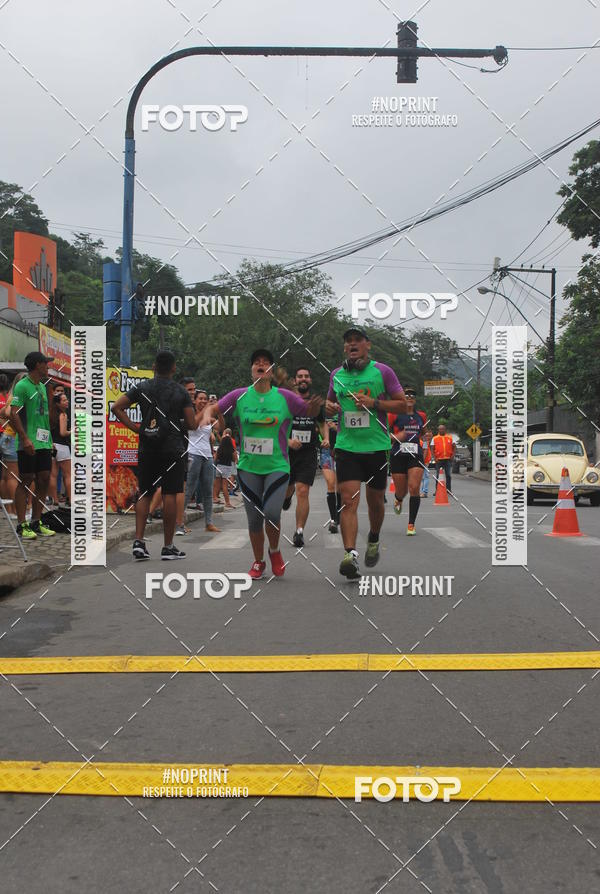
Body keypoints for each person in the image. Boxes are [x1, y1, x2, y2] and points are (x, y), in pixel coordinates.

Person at [203, 348, 322, 579]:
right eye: (256, 362)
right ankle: (258, 562)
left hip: (277, 466)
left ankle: (274, 551)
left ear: (271, 371)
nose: (261, 365)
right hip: (249, 467)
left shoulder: (284, 397)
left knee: (272, 513)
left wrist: (315, 408)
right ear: (252, 370)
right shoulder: (239, 396)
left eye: (266, 362)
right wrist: (209, 414)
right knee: (255, 519)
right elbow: (213, 408)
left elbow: (308, 410)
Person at [326, 328, 406, 579]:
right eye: (347, 341)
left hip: (376, 447)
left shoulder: (382, 371)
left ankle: (373, 537)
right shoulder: (336, 375)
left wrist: (375, 403)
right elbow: (329, 406)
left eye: (357, 341)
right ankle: (350, 555)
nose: (352, 344)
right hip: (347, 447)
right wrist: (329, 408)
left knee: (375, 501)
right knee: (348, 501)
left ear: (367, 345)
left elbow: (403, 404)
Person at [112, 350, 197, 560]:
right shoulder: (181, 392)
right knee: (170, 494)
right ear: (174, 368)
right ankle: (168, 546)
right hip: (173, 449)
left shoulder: (142, 387)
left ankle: (139, 542)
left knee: (145, 493)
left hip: (147, 447)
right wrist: (176, 424)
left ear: (153, 367)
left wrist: (136, 428)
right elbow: (192, 424)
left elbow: (116, 407)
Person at [9, 352, 57, 539]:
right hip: (28, 442)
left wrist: (50, 440)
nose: (48, 366)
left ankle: (37, 521)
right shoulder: (22, 386)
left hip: (44, 441)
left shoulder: (43, 387)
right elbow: (13, 413)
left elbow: (45, 417)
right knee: (26, 479)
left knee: (44, 478)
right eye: (46, 363)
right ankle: (22, 525)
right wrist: (25, 438)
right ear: (38, 365)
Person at [282, 366, 328, 547]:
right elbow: (277, 426)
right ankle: (287, 496)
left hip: (308, 453)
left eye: (306, 376)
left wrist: (326, 438)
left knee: (303, 491)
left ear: (310, 380)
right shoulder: (287, 401)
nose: (303, 379)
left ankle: (299, 531)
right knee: (288, 488)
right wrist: (288, 441)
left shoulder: (315, 403)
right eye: (300, 376)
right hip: (288, 453)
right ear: (295, 380)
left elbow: (322, 423)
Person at [389, 388, 426, 535]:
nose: (409, 397)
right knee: (402, 491)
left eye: (412, 395)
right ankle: (398, 499)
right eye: (407, 395)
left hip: (415, 454)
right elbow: (385, 434)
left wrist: (423, 440)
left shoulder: (421, 416)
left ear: (415, 400)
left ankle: (411, 524)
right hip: (398, 454)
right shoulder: (393, 415)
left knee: (414, 487)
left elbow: (423, 432)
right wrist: (397, 436)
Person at [184, 389, 221, 532]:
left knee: (208, 490)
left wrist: (219, 410)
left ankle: (209, 523)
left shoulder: (208, 416)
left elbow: (220, 426)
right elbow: (194, 424)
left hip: (207, 456)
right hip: (193, 454)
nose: (204, 401)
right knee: (189, 489)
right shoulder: (191, 414)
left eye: (206, 399)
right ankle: (180, 522)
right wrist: (207, 409)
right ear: (194, 400)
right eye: (200, 398)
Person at [0, 373, 20, 508]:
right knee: (13, 475)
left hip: (6, 435)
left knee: (6, 475)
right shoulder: (14, 397)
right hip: (11, 437)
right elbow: (7, 413)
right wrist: (17, 429)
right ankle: (13, 509)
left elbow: (3, 413)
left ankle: (8, 509)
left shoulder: (9, 396)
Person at [49, 392, 72, 505]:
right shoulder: (63, 415)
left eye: (66, 399)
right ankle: (71, 499)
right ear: (58, 403)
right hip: (62, 446)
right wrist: (72, 431)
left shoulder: (50, 414)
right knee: (68, 475)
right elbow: (63, 433)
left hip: (52, 445)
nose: (67, 401)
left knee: (53, 475)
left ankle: (55, 500)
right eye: (64, 400)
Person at [321, 418, 339, 533]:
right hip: (326, 450)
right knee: (331, 484)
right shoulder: (321, 409)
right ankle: (333, 520)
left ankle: (339, 514)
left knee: (341, 487)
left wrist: (336, 428)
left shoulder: (345, 407)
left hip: (343, 449)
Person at [213, 428, 237, 509]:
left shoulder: (220, 448)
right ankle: (227, 503)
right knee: (225, 486)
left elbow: (215, 458)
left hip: (219, 467)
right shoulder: (231, 449)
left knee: (217, 484)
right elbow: (235, 458)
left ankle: (215, 498)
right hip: (227, 467)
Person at [432, 423, 455, 495]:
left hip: (448, 459)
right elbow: (432, 448)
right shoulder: (434, 438)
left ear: (445, 430)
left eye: (443, 429)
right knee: (438, 475)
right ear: (438, 430)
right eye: (440, 429)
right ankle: (437, 490)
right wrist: (434, 458)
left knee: (448, 475)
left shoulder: (450, 437)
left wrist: (453, 455)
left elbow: (454, 447)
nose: (441, 430)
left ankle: (449, 490)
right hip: (439, 460)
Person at [420, 428, 432, 498]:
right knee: (423, 477)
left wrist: (423, 460)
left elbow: (425, 450)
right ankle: (423, 491)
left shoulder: (424, 441)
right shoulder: (423, 441)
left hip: (424, 461)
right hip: (424, 460)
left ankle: (424, 492)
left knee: (425, 476)